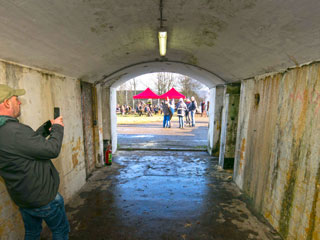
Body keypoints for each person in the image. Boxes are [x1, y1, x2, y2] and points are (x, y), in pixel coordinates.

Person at [0, 84, 69, 239]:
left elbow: (27, 146)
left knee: (32, 232)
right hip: (43, 198)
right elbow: (52, 149)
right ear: (6, 103)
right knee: (60, 230)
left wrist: (46, 128)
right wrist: (58, 127)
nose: (19, 103)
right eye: (16, 99)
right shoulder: (15, 130)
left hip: (22, 198)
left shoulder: (6, 131)